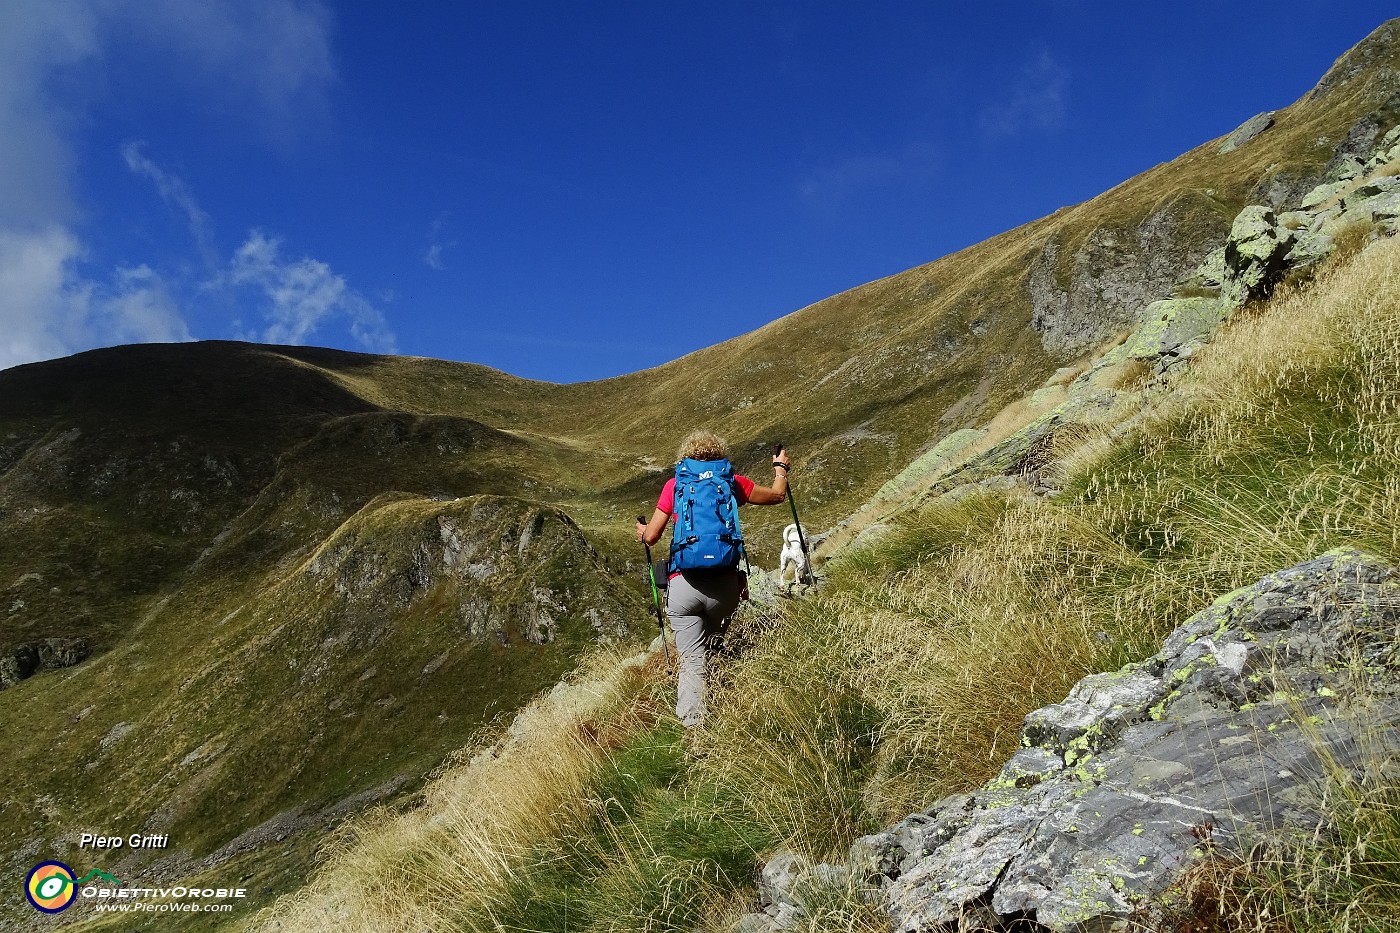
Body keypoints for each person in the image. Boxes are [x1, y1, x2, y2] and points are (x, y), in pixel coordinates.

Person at [636, 431, 791, 728]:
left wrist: (641, 531)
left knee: (693, 661)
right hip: (725, 586)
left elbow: (652, 537)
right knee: (715, 644)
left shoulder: (675, 485)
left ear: (686, 456)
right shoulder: (731, 482)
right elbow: (777, 496)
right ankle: (726, 701)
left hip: (684, 585)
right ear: (719, 453)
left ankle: (695, 728)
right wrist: (780, 469)